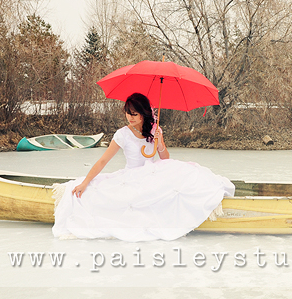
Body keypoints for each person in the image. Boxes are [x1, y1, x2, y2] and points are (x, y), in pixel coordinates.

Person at [52, 93, 235, 241]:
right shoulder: (122, 134)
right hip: (131, 176)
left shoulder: (155, 130)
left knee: (187, 176)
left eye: (134, 114)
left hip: (153, 172)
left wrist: (160, 142)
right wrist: (85, 182)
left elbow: (165, 159)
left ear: (144, 114)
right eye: (127, 112)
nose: (129, 117)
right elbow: (103, 161)